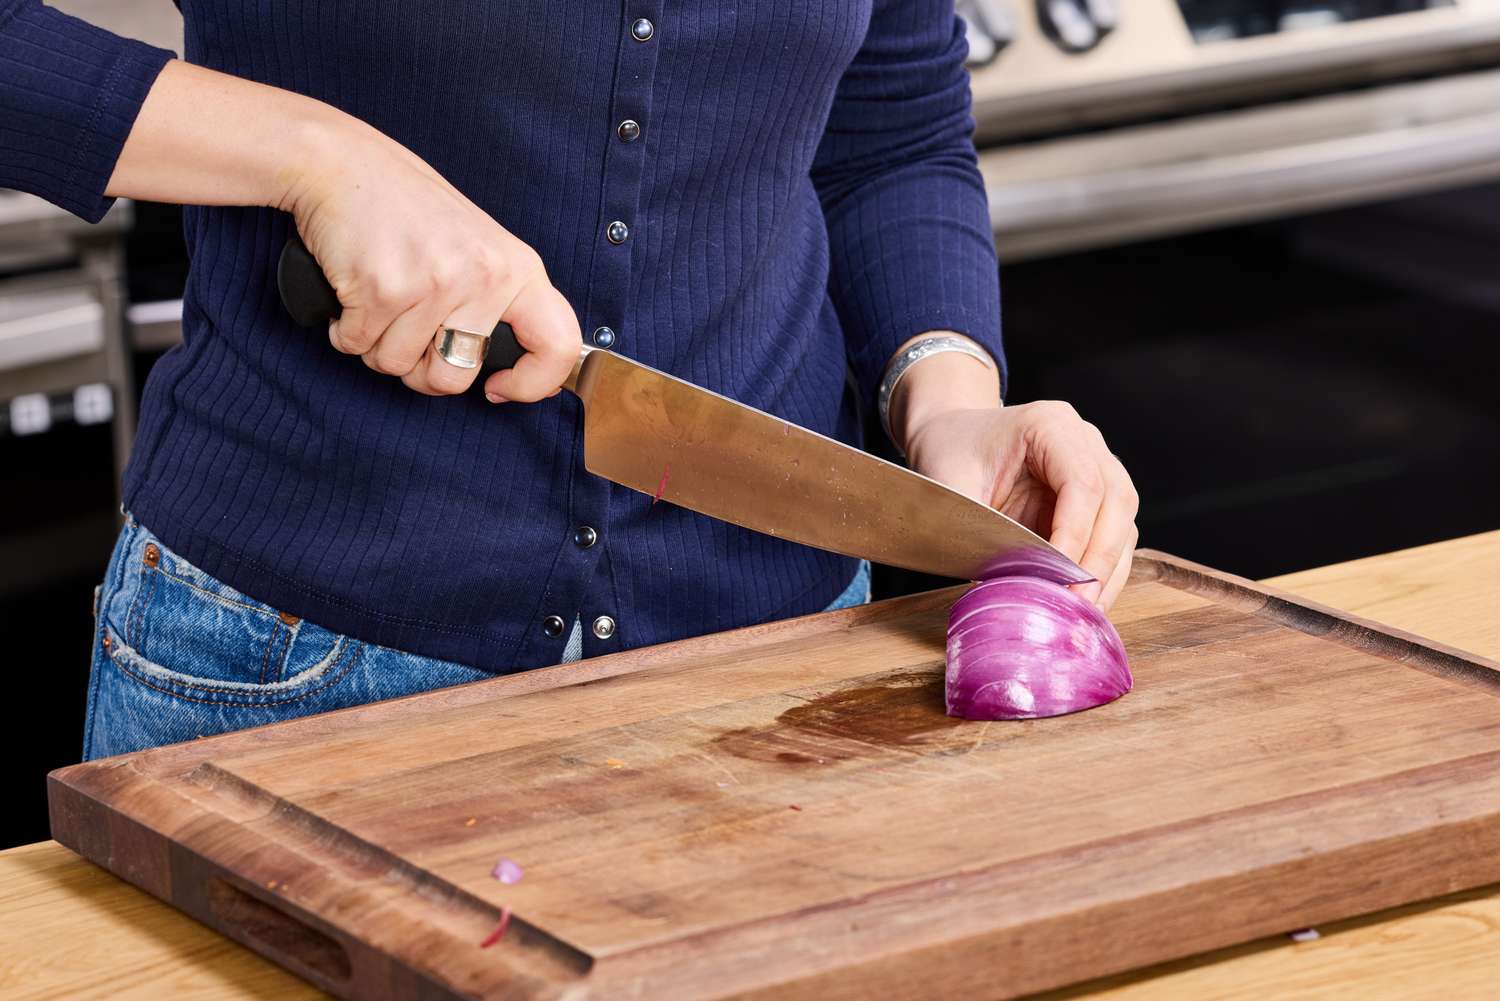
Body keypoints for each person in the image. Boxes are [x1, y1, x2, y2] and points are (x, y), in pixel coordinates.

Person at [0, 1, 1138, 759]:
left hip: (791, 670)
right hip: (294, 667)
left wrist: (945, 392)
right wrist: (313, 158)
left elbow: (892, 133)